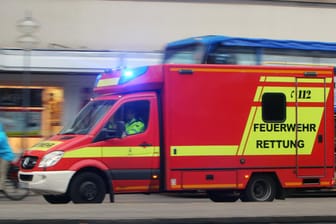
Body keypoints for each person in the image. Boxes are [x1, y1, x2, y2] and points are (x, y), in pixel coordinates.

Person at [0, 123, 15, 191]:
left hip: (6, 156)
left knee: (2, 171)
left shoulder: (1, 135)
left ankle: (1, 188)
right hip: (1, 155)